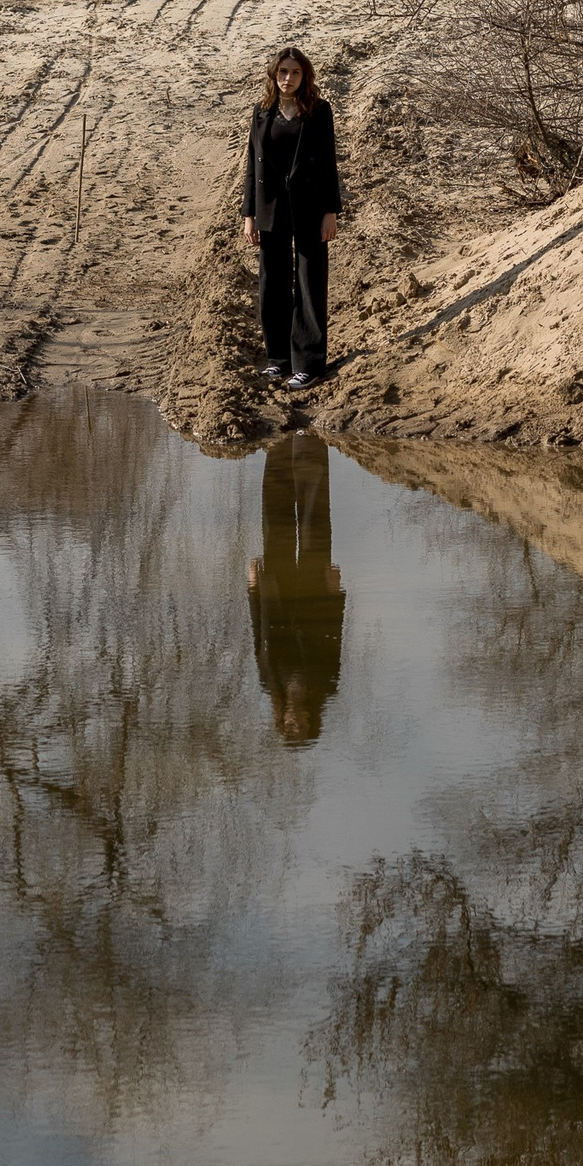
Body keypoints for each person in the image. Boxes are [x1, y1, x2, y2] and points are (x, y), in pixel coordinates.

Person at [242, 46, 344, 388]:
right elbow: (251, 165)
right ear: (274, 74)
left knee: (309, 282)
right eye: (283, 72)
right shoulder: (262, 111)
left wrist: (331, 211)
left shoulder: (318, 111)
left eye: (295, 73)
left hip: (311, 208)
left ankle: (309, 364)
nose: (288, 79)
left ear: (305, 76)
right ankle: (279, 358)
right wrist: (249, 215)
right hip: (270, 208)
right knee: (272, 282)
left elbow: (329, 164)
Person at [248, 434, 345, 745]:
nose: (294, 723)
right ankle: (310, 442)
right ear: (310, 723)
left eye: (289, 728)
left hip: (275, 593)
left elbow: (258, 636)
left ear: (282, 722)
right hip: (314, 597)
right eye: (299, 729)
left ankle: (278, 442)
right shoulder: (327, 684)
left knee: (275, 520)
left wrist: (252, 590)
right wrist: (335, 593)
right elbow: (334, 637)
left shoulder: (268, 683)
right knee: (313, 517)